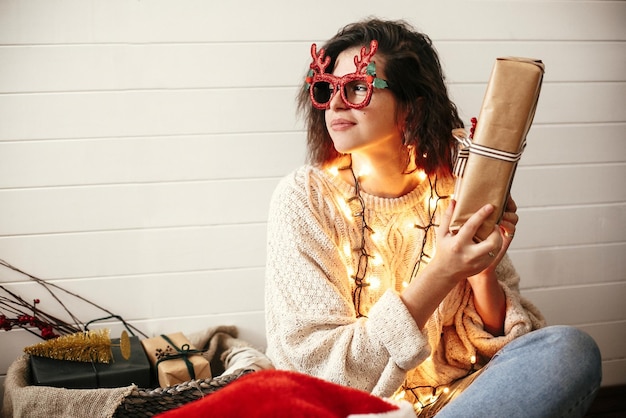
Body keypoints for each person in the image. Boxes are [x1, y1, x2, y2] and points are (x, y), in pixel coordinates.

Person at [264, 18, 601, 417]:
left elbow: (497, 349)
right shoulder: (305, 199)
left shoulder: (453, 187)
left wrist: (481, 272)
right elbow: (317, 373)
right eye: (327, 88)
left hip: (453, 402)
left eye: (357, 87)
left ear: (412, 104)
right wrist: (441, 272)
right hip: (354, 412)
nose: (335, 104)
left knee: (568, 349)